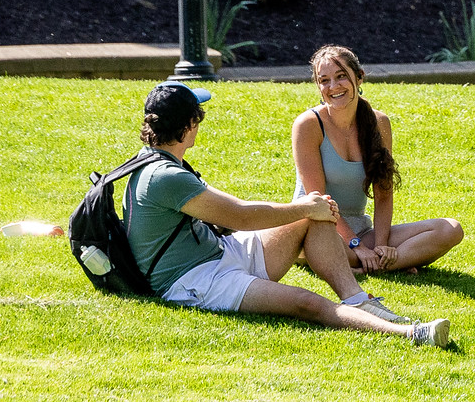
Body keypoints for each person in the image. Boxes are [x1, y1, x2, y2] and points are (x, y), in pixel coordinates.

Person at [128, 79, 449, 346]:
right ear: (189, 124)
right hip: (195, 280)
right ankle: (412, 333)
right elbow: (240, 216)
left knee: (314, 215)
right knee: (306, 303)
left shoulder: (158, 160)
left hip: (220, 253)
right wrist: (304, 205)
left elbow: (235, 215)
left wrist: (309, 210)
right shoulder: (165, 176)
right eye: (197, 117)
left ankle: (358, 299)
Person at [293, 45, 465, 275]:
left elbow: (383, 193)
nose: (333, 87)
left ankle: (373, 264)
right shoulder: (308, 125)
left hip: (361, 230)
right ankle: (385, 263)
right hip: (318, 228)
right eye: (324, 80)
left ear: (359, 77)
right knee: (321, 245)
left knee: (450, 229)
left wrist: (381, 245)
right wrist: (357, 246)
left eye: (341, 76)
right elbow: (320, 202)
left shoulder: (378, 123)